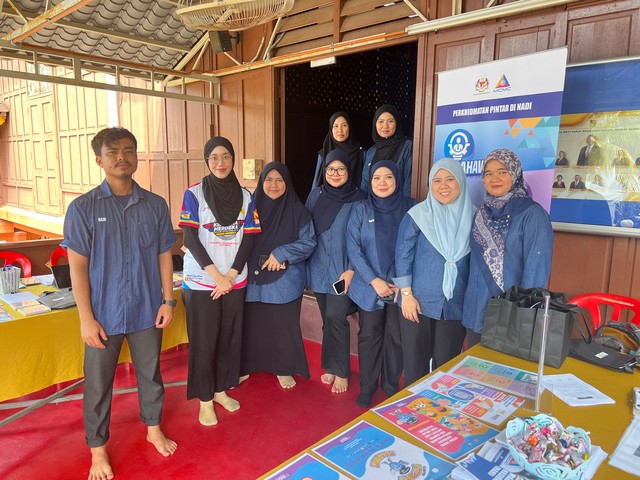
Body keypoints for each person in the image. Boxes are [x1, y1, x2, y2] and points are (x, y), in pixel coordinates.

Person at [63, 127, 178, 480]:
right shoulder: (82, 208)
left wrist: (168, 300)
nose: (122, 157)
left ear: (137, 157)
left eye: (128, 150)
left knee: (151, 375)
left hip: (147, 309)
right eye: (113, 152)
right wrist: (86, 319)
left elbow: (164, 255)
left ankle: (153, 428)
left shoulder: (155, 205)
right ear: (99, 160)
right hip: (103, 314)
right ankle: (98, 449)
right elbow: (77, 267)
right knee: (98, 384)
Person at [179, 136, 261, 426]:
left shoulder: (246, 196)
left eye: (225, 156)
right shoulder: (194, 194)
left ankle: (220, 391)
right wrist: (216, 276)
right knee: (204, 341)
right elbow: (190, 238)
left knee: (229, 338)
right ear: (207, 161)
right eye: (214, 157)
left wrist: (231, 275)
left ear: (233, 159)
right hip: (203, 281)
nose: (220, 163)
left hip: (233, 280)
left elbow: (249, 238)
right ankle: (205, 400)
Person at [395, 158, 474, 384]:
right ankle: (413, 404)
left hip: (455, 305)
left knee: (447, 368)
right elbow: (403, 254)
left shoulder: (475, 217)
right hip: (417, 303)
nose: (443, 186)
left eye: (450, 179)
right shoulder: (417, 215)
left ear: (461, 182)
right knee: (415, 366)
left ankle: (440, 405)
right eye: (437, 181)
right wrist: (406, 294)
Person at [463, 149, 553, 347]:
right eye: (488, 173)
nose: (494, 178)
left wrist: (522, 315)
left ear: (515, 173)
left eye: (502, 171)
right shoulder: (481, 213)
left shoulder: (532, 214)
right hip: (476, 311)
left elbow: (536, 272)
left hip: (509, 314)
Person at [346, 161, 415, 407]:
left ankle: (390, 385)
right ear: (370, 181)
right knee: (369, 336)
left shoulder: (411, 207)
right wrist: (374, 281)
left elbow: (414, 247)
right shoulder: (360, 209)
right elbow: (353, 249)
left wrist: (401, 283)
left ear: (398, 179)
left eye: (388, 177)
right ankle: (367, 386)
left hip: (400, 287)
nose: (382, 182)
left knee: (396, 337)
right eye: (377, 178)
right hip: (369, 286)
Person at [241, 163, 317, 388]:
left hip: (284, 280)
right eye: (268, 180)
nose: (273, 185)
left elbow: (309, 242)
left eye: (279, 180)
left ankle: (283, 368)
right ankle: (247, 365)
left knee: (283, 326)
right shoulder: (249, 209)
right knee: (252, 325)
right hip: (252, 279)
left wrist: (282, 253)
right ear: (261, 182)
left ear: (287, 183)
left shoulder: (298, 212)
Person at [306, 149, 367, 394]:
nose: (335, 173)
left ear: (349, 171)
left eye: (341, 169)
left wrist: (352, 269)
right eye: (331, 169)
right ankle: (330, 365)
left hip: (343, 270)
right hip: (318, 267)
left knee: (336, 317)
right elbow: (305, 228)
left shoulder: (360, 198)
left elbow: (364, 238)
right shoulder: (315, 195)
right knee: (327, 319)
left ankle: (342, 371)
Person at [361, 105, 413, 197]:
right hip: (373, 203)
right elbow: (365, 184)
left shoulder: (407, 146)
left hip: (398, 203)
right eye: (381, 121)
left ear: (397, 123)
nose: (385, 126)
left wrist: (404, 204)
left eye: (390, 121)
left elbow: (408, 184)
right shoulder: (371, 151)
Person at [312, 111, 364, 190]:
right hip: (328, 196)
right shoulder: (323, 153)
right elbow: (316, 183)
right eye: (335, 126)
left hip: (354, 196)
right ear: (331, 129)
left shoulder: (360, 153)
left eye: (344, 125)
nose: (340, 130)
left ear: (350, 128)